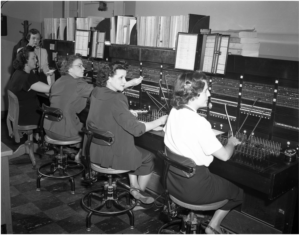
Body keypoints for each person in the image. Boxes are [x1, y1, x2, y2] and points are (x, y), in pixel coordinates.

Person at [164, 71, 243, 234]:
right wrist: (231, 143)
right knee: (238, 192)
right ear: (195, 94)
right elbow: (225, 156)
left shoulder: (174, 112)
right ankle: (213, 226)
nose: (209, 94)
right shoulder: (200, 123)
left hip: (173, 184)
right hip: (196, 187)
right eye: (206, 90)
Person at [86, 61, 168, 204]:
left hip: (96, 151)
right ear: (108, 78)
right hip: (114, 156)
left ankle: (134, 186)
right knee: (149, 158)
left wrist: (126, 114)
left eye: (125, 78)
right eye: (121, 78)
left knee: (132, 148)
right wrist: (160, 121)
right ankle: (136, 196)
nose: (125, 81)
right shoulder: (118, 98)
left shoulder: (96, 91)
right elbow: (137, 130)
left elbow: (106, 112)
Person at [44, 55, 144, 161]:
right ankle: (84, 157)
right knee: (94, 132)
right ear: (69, 68)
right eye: (79, 66)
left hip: (49, 128)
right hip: (64, 130)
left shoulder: (59, 81)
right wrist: (131, 83)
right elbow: (102, 92)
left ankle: (82, 155)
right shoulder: (78, 84)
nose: (83, 68)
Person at [7, 46, 52, 126]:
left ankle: (36, 137)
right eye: (33, 58)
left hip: (18, 113)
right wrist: (48, 75)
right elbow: (51, 89)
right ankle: (44, 137)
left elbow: (36, 84)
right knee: (54, 119)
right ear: (25, 61)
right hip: (26, 116)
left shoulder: (18, 72)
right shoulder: (27, 77)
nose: (36, 60)